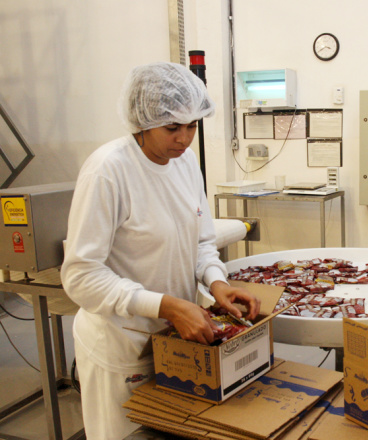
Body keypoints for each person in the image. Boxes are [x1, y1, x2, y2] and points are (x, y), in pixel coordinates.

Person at [61, 62, 261, 440]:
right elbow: (81, 277)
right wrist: (167, 305)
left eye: (192, 126)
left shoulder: (185, 164)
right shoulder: (109, 171)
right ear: (142, 120)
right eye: (172, 127)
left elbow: (201, 242)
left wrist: (216, 282)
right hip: (122, 343)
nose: (184, 139)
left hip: (174, 338)